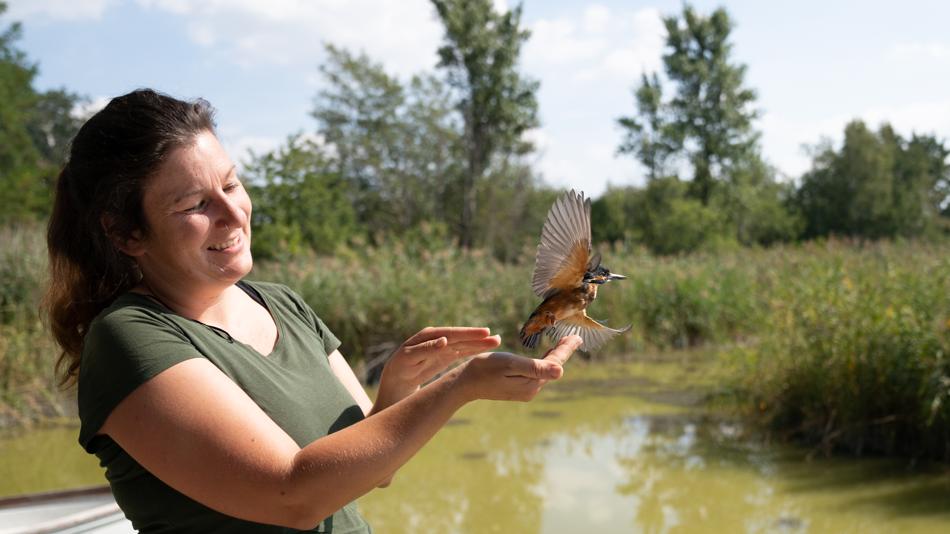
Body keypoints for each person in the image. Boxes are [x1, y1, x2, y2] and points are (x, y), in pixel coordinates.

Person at [43, 88, 581, 533]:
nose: (234, 213)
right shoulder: (129, 338)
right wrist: (460, 385)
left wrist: (396, 394)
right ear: (126, 233)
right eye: (194, 205)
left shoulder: (283, 305)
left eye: (231, 184)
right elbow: (293, 495)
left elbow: (368, 471)